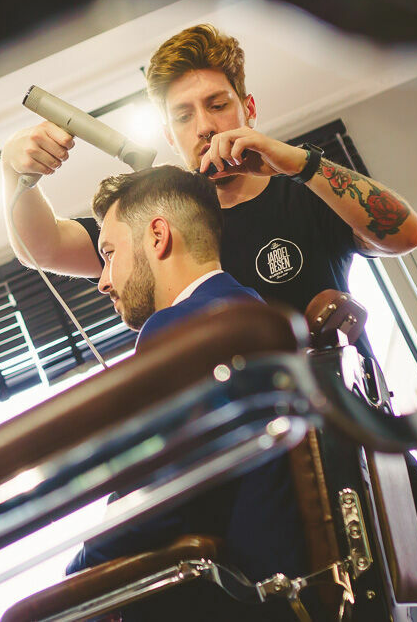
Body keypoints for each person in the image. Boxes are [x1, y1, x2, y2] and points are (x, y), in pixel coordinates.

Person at [2, 24, 417, 619]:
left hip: (352, 459)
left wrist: (295, 162)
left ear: (248, 108)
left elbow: (403, 232)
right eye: (183, 115)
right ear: (169, 134)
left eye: (218, 104)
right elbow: (43, 247)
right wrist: (16, 173)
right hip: (263, 493)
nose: (204, 125)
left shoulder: (302, 195)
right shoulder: (167, 225)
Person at [65, 165, 312, 621]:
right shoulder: (248, 309)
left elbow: (155, 504)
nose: (103, 280)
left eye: (110, 253)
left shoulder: (182, 331)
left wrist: (76, 579)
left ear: (157, 236)